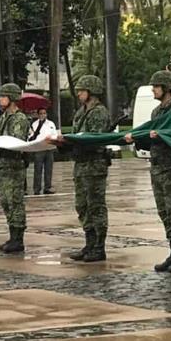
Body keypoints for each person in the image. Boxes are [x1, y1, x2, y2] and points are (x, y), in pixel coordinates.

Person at [125, 71, 171, 273]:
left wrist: (159, 135)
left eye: (156, 86)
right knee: (164, 213)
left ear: (166, 87)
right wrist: (139, 138)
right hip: (157, 167)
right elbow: (151, 136)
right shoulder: (156, 112)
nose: (153, 89)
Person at [51, 75, 111, 262]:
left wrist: (70, 141)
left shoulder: (99, 113)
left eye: (82, 91)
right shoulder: (81, 112)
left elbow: (93, 139)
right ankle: (89, 243)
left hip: (94, 164)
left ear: (91, 92)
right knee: (82, 205)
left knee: (96, 206)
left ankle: (99, 246)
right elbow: (78, 135)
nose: (78, 94)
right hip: (81, 164)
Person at [0, 83, 30, 253]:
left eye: (3, 96)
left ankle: (18, 238)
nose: (0, 99)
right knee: (6, 201)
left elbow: (15, 140)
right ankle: (12, 235)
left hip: (14, 164)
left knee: (15, 201)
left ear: (12, 98)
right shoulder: (4, 117)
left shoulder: (19, 118)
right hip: (4, 163)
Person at [30, 108, 57, 194]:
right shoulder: (34, 124)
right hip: (39, 149)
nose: (42, 115)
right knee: (38, 169)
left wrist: (51, 138)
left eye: (44, 113)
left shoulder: (51, 123)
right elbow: (32, 136)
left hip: (49, 148)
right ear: (38, 115)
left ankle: (47, 187)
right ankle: (37, 189)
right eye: (41, 113)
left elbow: (55, 134)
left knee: (48, 169)